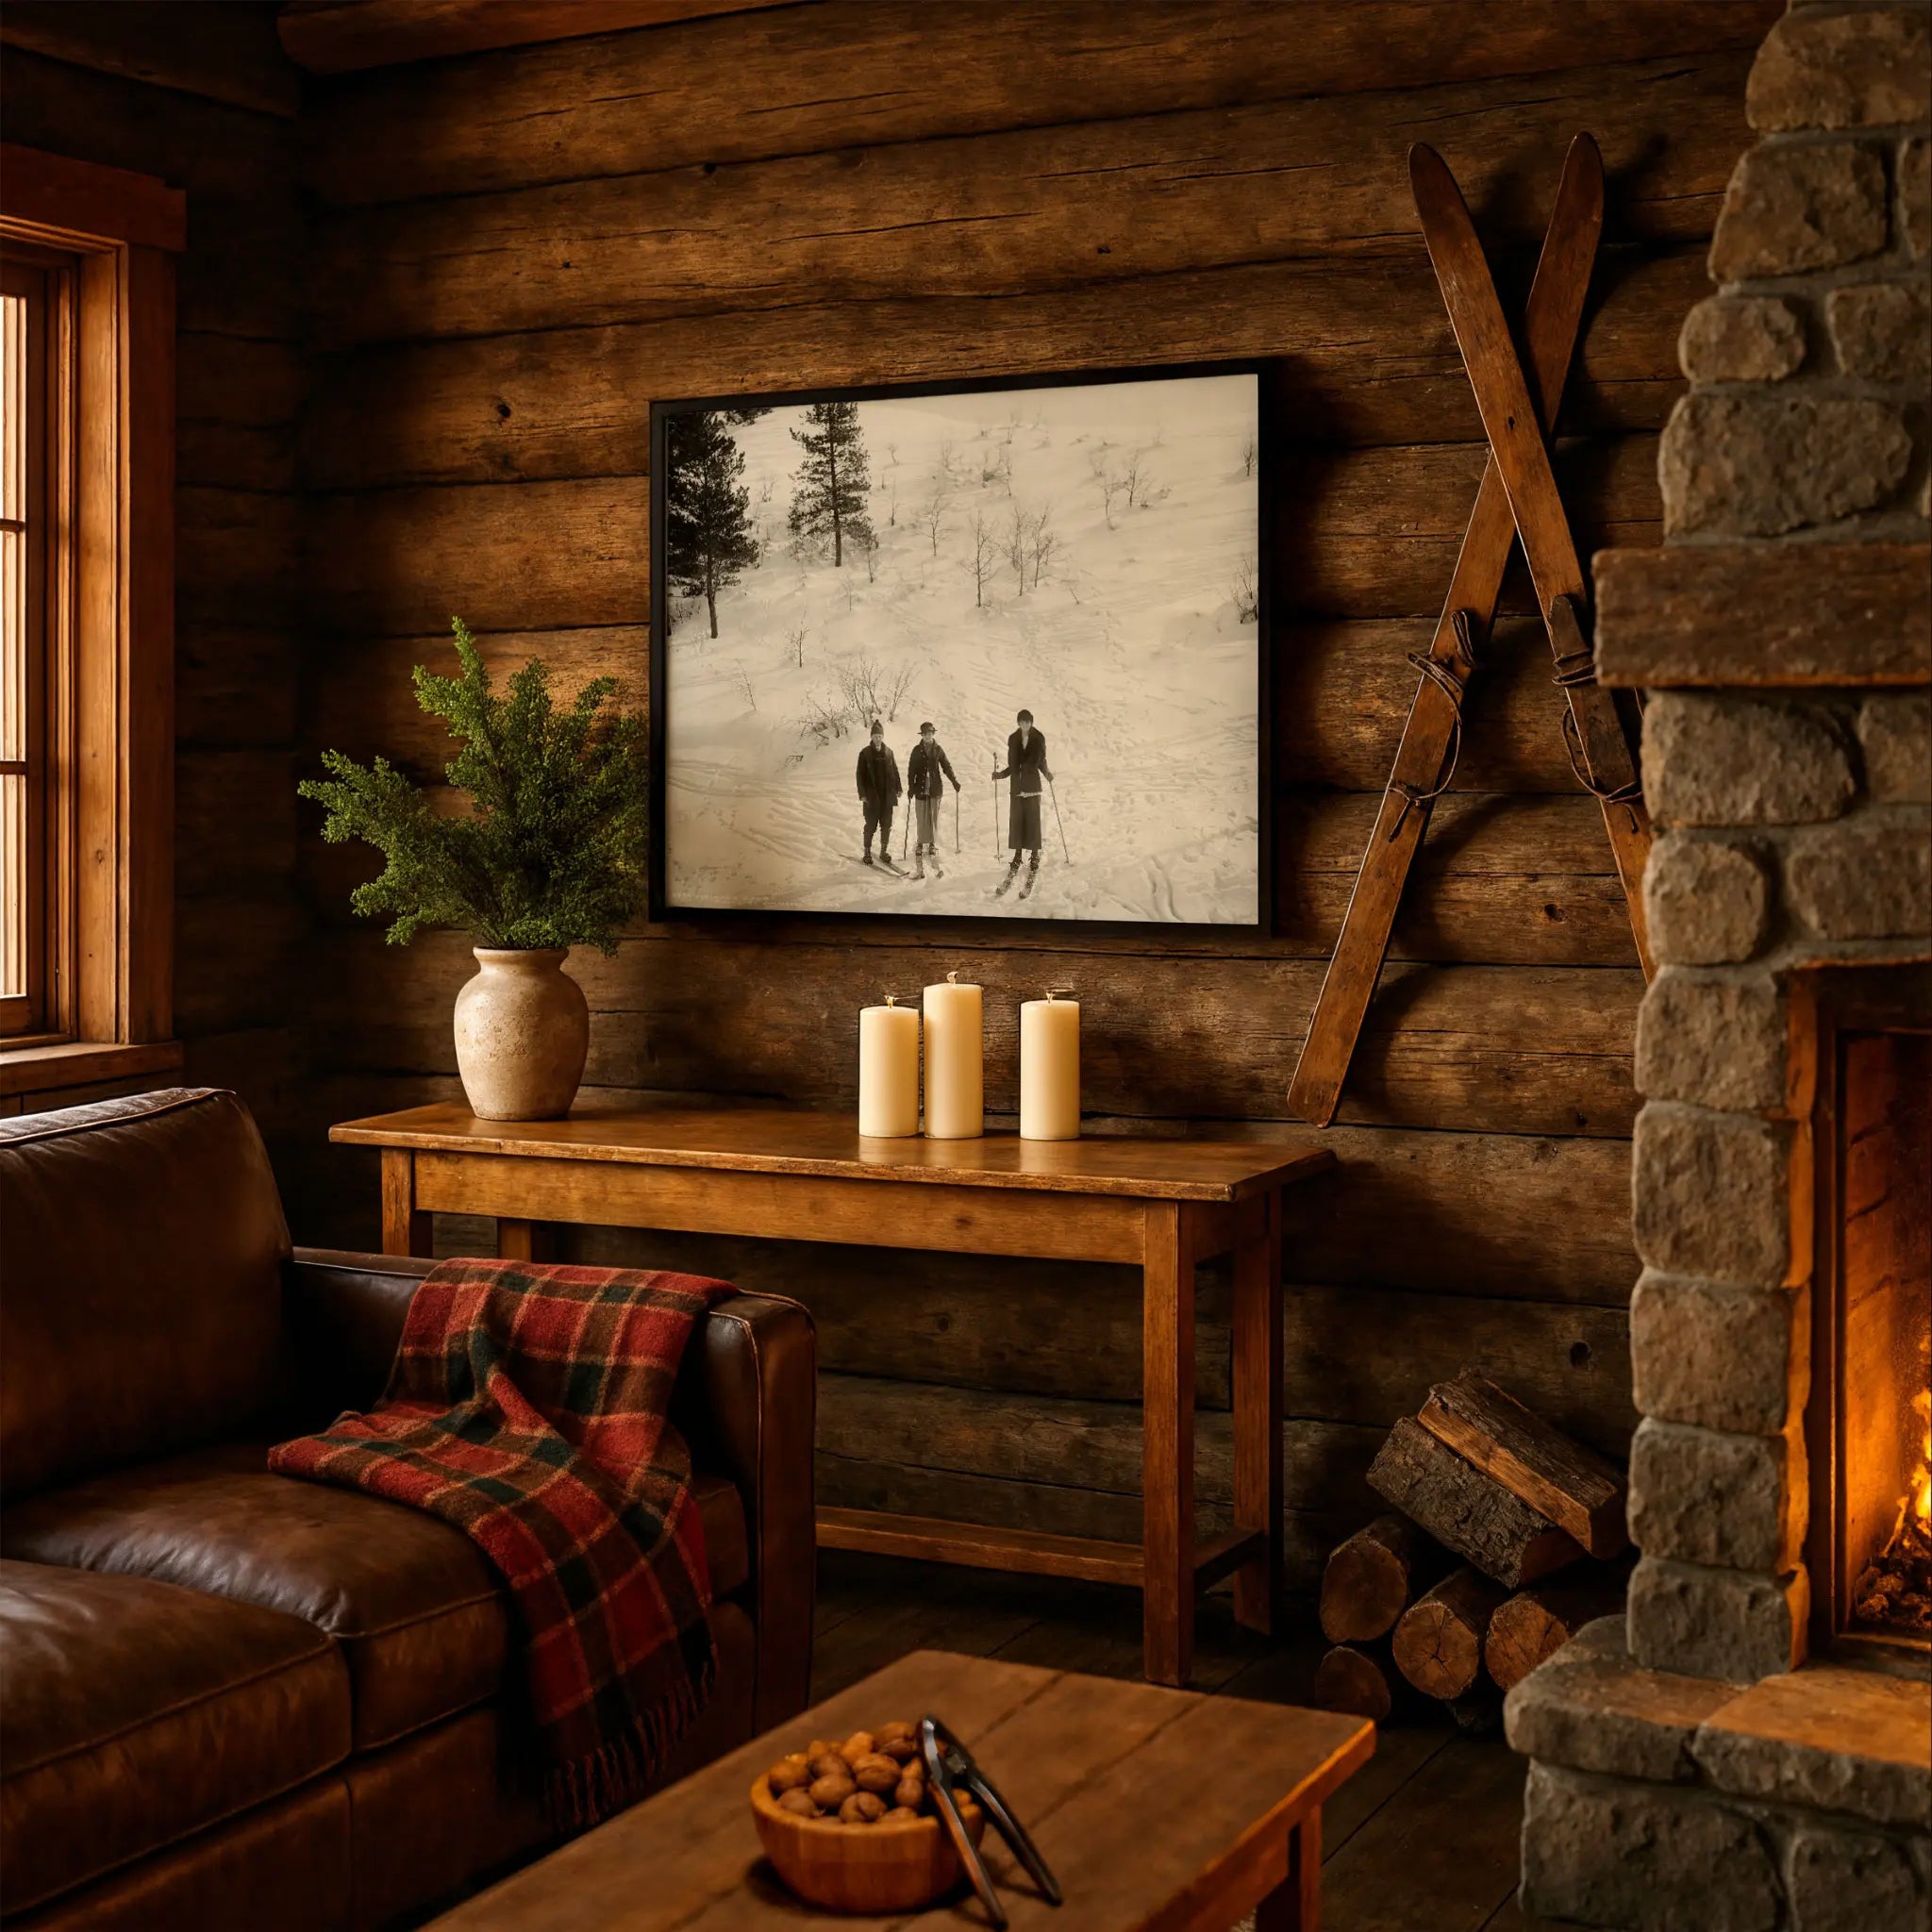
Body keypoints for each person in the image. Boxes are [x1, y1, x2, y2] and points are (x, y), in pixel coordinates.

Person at [991, 708, 1053, 891]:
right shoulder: (1013, 739)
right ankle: (1018, 855)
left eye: (1028, 721)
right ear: (1018, 722)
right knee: (1017, 822)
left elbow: (1041, 760)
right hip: (1017, 787)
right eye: (1022, 721)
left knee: (1032, 822)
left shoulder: (1038, 738)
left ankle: (1034, 855)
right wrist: (1001, 774)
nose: (1025, 724)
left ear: (1031, 722)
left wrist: (1047, 773)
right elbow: (1013, 766)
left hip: (1032, 786)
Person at [905, 720, 960, 879]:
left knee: (932, 818)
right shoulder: (916, 750)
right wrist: (910, 787)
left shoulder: (938, 750)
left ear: (933, 734)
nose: (928, 736)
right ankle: (921, 843)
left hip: (935, 789)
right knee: (922, 817)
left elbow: (946, 767)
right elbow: (911, 770)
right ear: (922, 735)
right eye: (925, 734)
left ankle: (932, 844)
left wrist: (954, 781)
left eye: (930, 733)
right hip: (921, 790)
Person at [855, 718, 902, 868]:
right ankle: (867, 853)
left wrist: (899, 788)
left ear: (883, 736)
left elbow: (895, 771)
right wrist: (862, 794)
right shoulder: (865, 753)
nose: (878, 738)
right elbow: (859, 775)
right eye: (875, 736)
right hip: (872, 797)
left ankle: (883, 851)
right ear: (871, 737)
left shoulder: (889, 752)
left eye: (880, 736)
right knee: (871, 825)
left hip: (887, 796)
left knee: (886, 825)